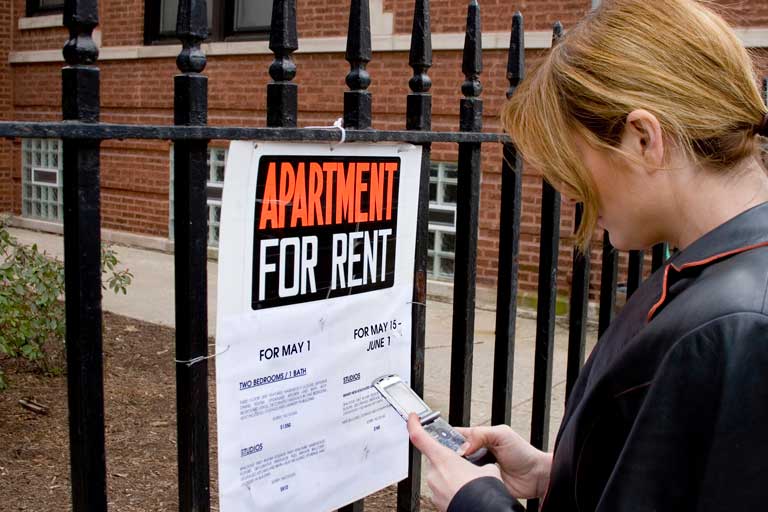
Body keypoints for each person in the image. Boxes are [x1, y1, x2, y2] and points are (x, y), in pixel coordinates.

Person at [407, 0, 768, 510]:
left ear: (644, 138)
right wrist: (555, 473)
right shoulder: (716, 278)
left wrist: (478, 504)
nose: (568, 191)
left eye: (572, 160)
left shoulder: (734, 325)